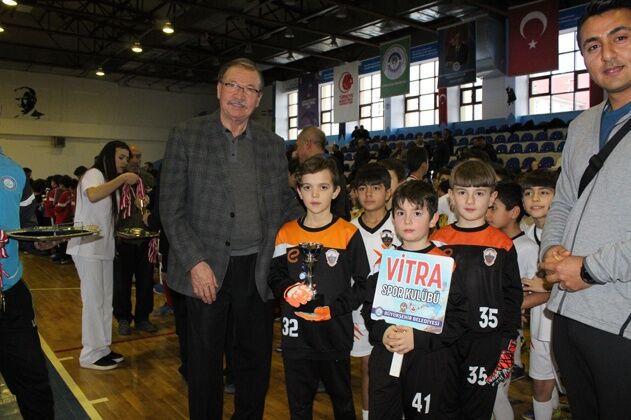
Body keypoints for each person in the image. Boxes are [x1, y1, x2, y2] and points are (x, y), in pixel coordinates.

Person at [160, 58, 301, 419]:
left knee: (254, 362)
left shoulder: (272, 144)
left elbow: (284, 203)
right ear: (219, 89)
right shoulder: (186, 135)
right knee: (204, 364)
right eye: (233, 85)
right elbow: (171, 209)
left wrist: (320, 221)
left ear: (259, 99)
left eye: (250, 89)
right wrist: (194, 262)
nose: (240, 94)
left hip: (256, 268)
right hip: (205, 268)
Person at [539, 3, 631, 418]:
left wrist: (590, 269)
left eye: (620, 37)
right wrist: (551, 249)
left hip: (621, 318)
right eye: (593, 46)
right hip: (568, 310)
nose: (607, 55)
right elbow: (563, 201)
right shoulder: (580, 126)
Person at [268, 155, 370, 420]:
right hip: (296, 338)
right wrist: (288, 290)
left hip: (334, 335)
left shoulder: (348, 233)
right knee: (299, 408)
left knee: (343, 405)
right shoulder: (286, 233)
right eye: (308, 187)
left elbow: (363, 284)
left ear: (335, 191)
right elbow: (275, 275)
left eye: (323, 187)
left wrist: (333, 310)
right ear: (298, 191)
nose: (315, 194)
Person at [362, 180, 467, 419]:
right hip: (387, 357)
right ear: (393, 218)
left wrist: (418, 338)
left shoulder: (446, 265)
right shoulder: (385, 262)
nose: (407, 221)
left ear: (433, 219)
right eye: (401, 213)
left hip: (427, 361)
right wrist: (382, 331)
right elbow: (369, 308)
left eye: (417, 213)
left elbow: (459, 319)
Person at [431, 159, 522, 419]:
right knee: (443, 406)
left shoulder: (503, 244)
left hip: (485, 342)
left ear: (492, 197)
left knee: (477, 409)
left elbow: (512, 295)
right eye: (463, 192)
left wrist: (509, 343)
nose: (470, 200)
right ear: (451, 196)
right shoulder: (437, 240)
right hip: (443, 340)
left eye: (479, 193)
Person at [66, 141, 139, 370]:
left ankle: (102, 348)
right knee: (93, 302)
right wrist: (123, 178)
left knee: (106, 302)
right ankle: (89, 355)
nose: (124, 162)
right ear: (108, 156)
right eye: (121, 157)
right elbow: (93, 195)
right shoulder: (94, 174)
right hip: (88, 249)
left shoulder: (108, 182)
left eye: (126, 158)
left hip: (104, 250)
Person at [0, 150, 55, 418]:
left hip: (10, 294)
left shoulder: (14, 172)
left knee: (34, 381)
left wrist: (38, 243)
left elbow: (26, 228)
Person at [485, 182, 539, 420]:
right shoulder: (489, 241)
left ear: (514, 212)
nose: (488, 213)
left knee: (498, 391)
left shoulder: (527, 248)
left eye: (494, 208)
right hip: (484, 329)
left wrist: (513, 306)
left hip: (508, 334)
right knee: (484, 391)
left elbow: (541, 292)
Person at [350, 163, 400, 420]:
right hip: (360, 311)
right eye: (363, 188)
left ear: (388, 192)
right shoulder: (348, 228)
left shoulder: (402, 223)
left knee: (399, 368)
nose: (369, 194)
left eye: (376, 188)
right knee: (368, 366)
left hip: (395, 310)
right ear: (355, 193)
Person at [518, 170, 563, 420]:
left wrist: (546, 286)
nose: (535, 198)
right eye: (529, 193)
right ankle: (550, 409)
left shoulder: (570, 233)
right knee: (541, 382)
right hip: (540, 322)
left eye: (544, 192)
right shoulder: (525, 236)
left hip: (568, 323)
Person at [113, 144, 158, 335]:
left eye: (139, 156)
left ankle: (142, 318)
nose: (135, 160)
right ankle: (123, 318)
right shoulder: (115, 179)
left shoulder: (149, 179)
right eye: (132, 156)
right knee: (121, 283)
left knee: (146, 283)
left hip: (146, 240)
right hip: (122, 240)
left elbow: (158, 204)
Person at [296, 126, 351, 220]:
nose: (297, 151)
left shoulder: (327, 166)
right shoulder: (332, 163)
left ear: (307, 144)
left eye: (298, 146)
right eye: (307, 187)